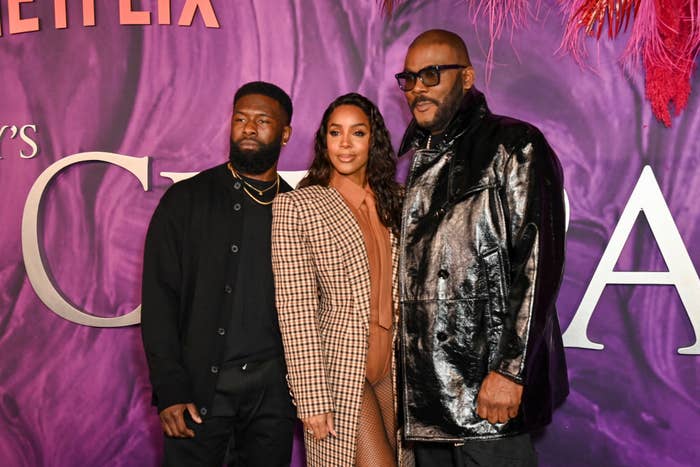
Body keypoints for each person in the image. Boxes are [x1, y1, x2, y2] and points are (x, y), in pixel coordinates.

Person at [395, 29, 569, 466]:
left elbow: (537, 265)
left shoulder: (514, 145)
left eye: (432, 74)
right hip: (429, 403)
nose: (418, 88)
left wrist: (510, 370)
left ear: (467, 77)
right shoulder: (415, 159)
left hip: (487, 396)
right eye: (410, 78)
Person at [141, 81, 296, 466]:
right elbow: (159, 301)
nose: (248, 128)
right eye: (240, 118)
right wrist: (171, 390)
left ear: (285, 133)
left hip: (272, 397)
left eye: (262, 121)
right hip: (198, 393)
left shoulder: (297, 207)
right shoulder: (186, 200)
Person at [271, 93, 404, 467]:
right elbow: (295, 309)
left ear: (373, 140)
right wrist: (311, 398)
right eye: (335, 132)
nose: (344, 144)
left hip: (394, 366)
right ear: (324, 140)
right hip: (342, 368)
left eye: (357, 133)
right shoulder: (298, 206)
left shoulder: (397, 200)